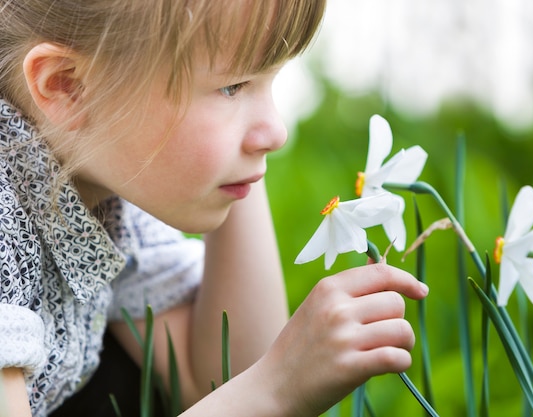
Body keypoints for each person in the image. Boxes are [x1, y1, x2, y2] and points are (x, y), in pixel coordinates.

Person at [0, 0, 430, 416]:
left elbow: (217, 378)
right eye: (232, 86)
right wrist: (276, 387)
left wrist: (234, 164)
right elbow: (251, 389)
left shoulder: (105, 195)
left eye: (271, 79)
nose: (276, 132)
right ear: (67, 86)